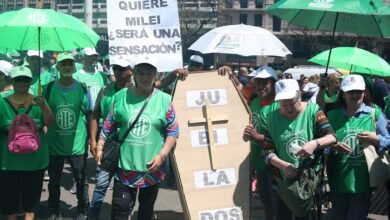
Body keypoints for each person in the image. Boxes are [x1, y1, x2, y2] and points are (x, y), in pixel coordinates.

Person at [95, 58, 179, 220]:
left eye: (149, 73)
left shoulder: (164, 100)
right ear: (133, 74)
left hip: (152, 168)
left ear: (155, 76)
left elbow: (173, 130)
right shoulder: (121, 96)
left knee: (146, 211)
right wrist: (99, 147)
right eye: (141, 73)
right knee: (120, 209)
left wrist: (162, 155)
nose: (145, 77)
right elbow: (108, 124)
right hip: (124, 166)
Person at [262, 79, 337, 220]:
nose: (289, 108)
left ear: (300, 96)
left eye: (292, 103)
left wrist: (315, 143)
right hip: (283, 183)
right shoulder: (271, 118)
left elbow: (332, 137)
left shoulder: (313, 111)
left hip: (309, 182)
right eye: (284, 105)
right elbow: (266, 153)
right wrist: (284, 166)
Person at [326, 74, 390, 220]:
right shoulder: (331, 115)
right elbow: (321, 145)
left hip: (364, 180)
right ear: (343, 94)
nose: (355, 95)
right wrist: (334, 146)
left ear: (364, 92)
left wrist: (376, 138)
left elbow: (388, 140)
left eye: (358, 91)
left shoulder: (375, 113)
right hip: (338, 179)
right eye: (350, 92)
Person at [0, 66, 54, 220]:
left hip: (35, 161)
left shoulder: (38, 101)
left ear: (31, 81)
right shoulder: (1, 102)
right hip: (8, 162)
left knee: (31, 202)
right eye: (18, 79)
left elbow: (49, 122)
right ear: (12, 81)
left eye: (26, 79)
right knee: (9, 203)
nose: (22, 82)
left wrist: (44, 106)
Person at [44, 53, 92, 220]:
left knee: (81, 180)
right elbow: (43, 114)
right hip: (54, 143)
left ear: (74, 67)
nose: (66, 67)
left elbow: (90, 114)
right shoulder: (48, 88)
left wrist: (93, 141)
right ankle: (54, 210)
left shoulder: (82, 88)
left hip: (77, 144)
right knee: (54, 182)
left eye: (69, 64)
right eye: (62, 64)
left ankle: (83, 210)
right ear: (56, 67)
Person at [242, 66, 279, 220]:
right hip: (259, 162)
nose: (261, 86)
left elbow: (281, 139)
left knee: (277, 203)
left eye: (266, 82)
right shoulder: (254, 102)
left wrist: (257, 137)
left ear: (274, 83)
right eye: (258, 81)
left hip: (275, 165)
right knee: (266, 201)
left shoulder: (281, 105)